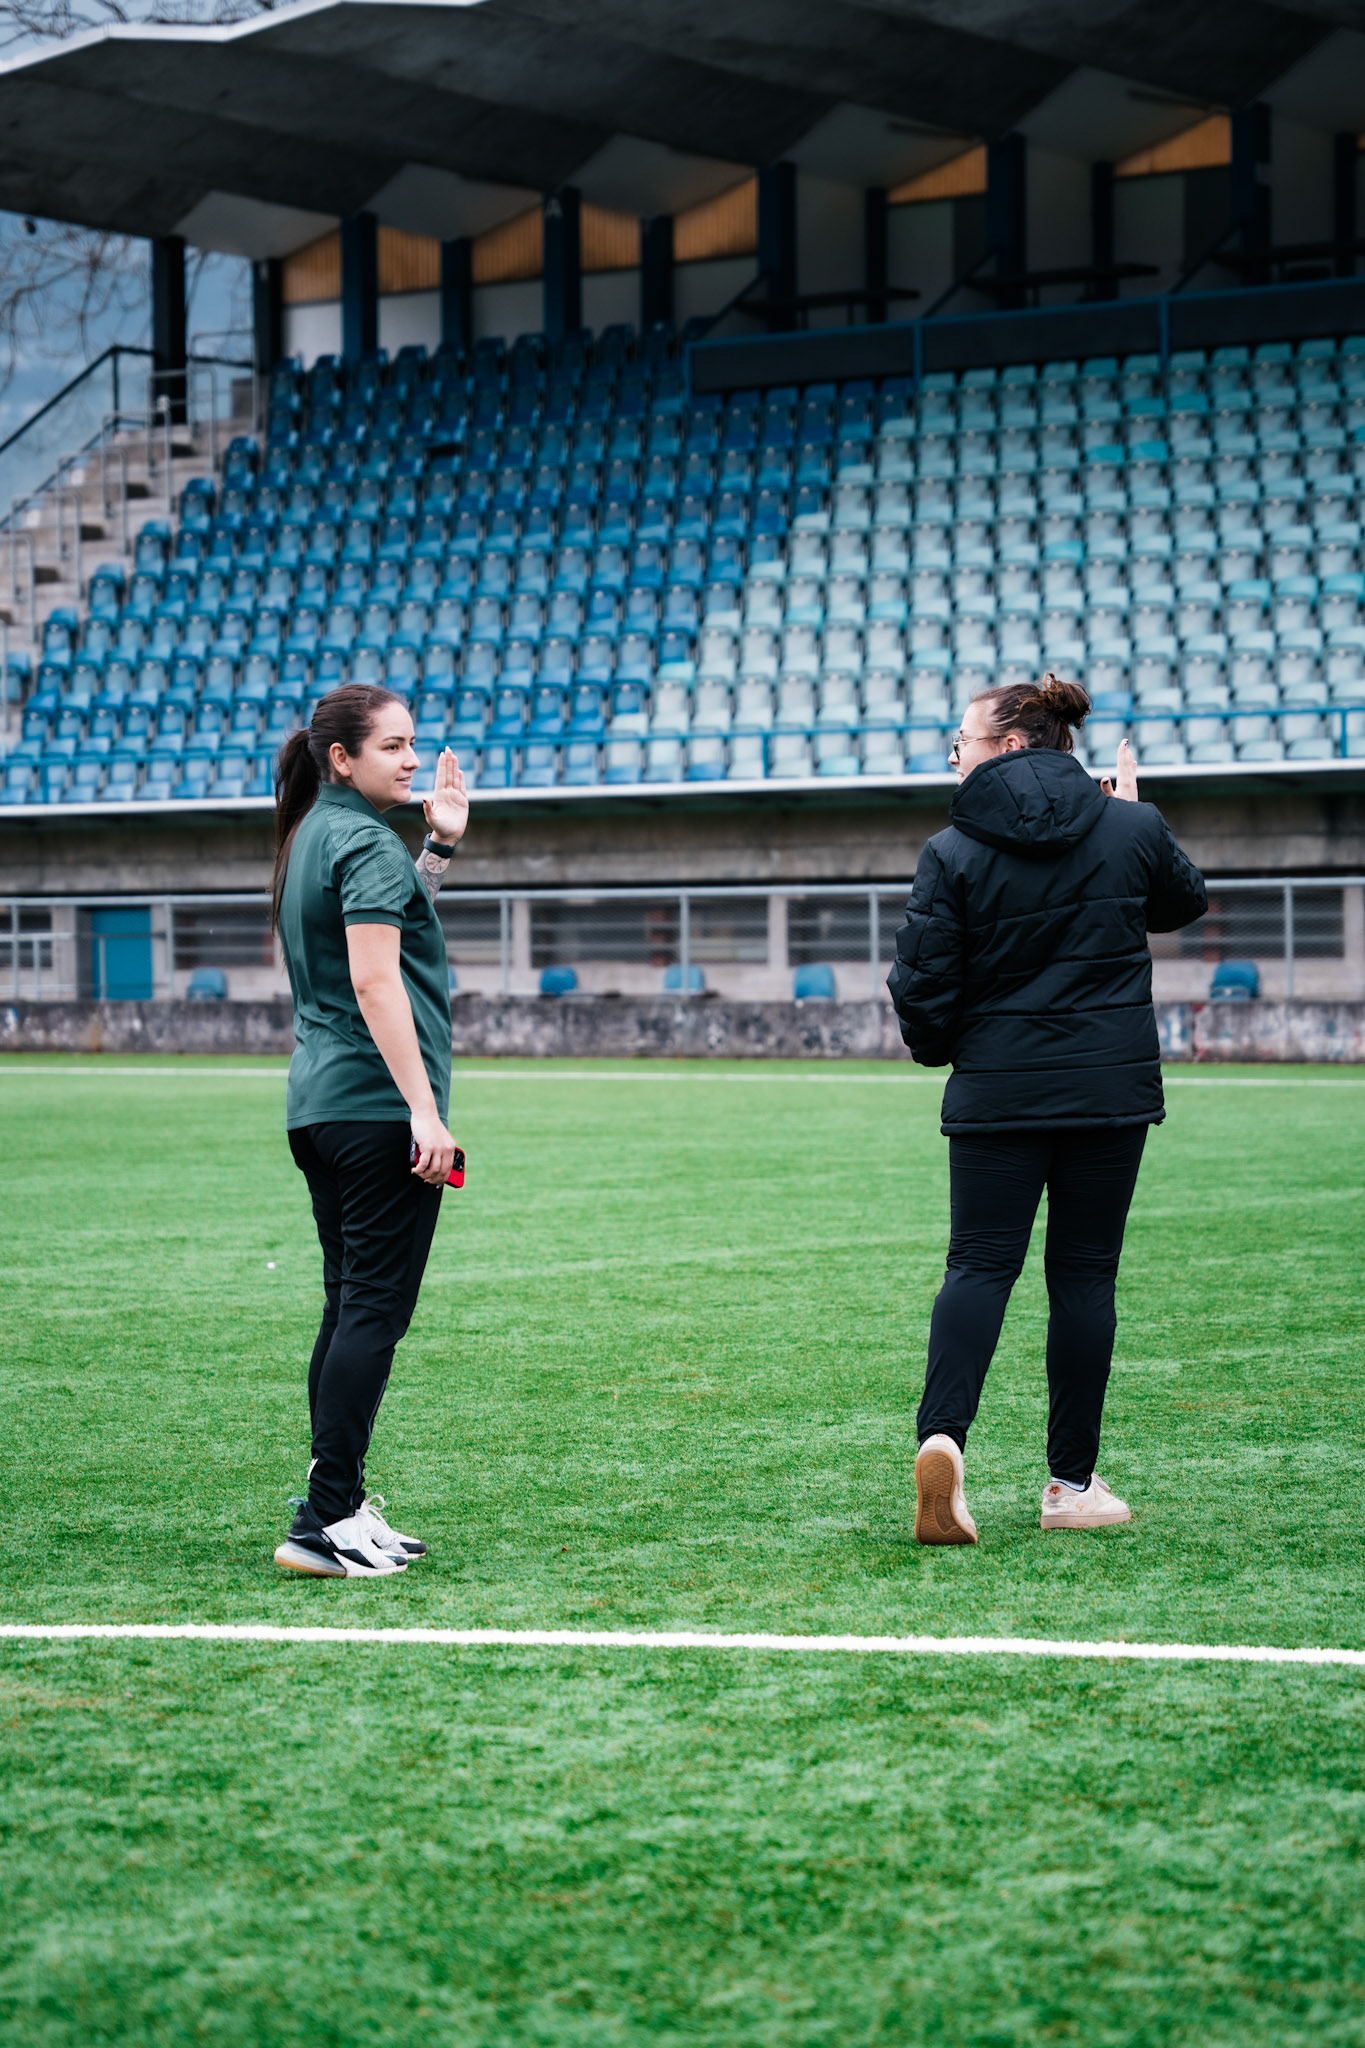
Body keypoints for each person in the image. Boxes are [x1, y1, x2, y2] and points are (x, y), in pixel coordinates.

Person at [887, 676, 1207, 1545]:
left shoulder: (949, 849)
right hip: (1107, 1091)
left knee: (978, 1267)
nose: (954, 755)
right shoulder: (1130, 828)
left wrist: (953, 1052)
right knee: (1083, 1278)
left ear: (1013, 745)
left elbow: (920, 986)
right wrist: (1139, 817)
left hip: (997, 1091)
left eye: (962, 741)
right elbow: (1183, 905)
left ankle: (943, 1438)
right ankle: (1068, 1487)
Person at [268, 683, 469, 1578]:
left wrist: (440, 848)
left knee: (349, 1305)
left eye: (413, 743)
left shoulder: (314, 835)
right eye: (393, 746)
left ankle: (339, 1504)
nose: (413, 759)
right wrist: (424, 1112)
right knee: (373, 1315)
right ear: (342, 758)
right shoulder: (360, 841)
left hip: (319, 1107)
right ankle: (322, 1519)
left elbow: (394, 923)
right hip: (375, 1108)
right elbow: (376, 981)